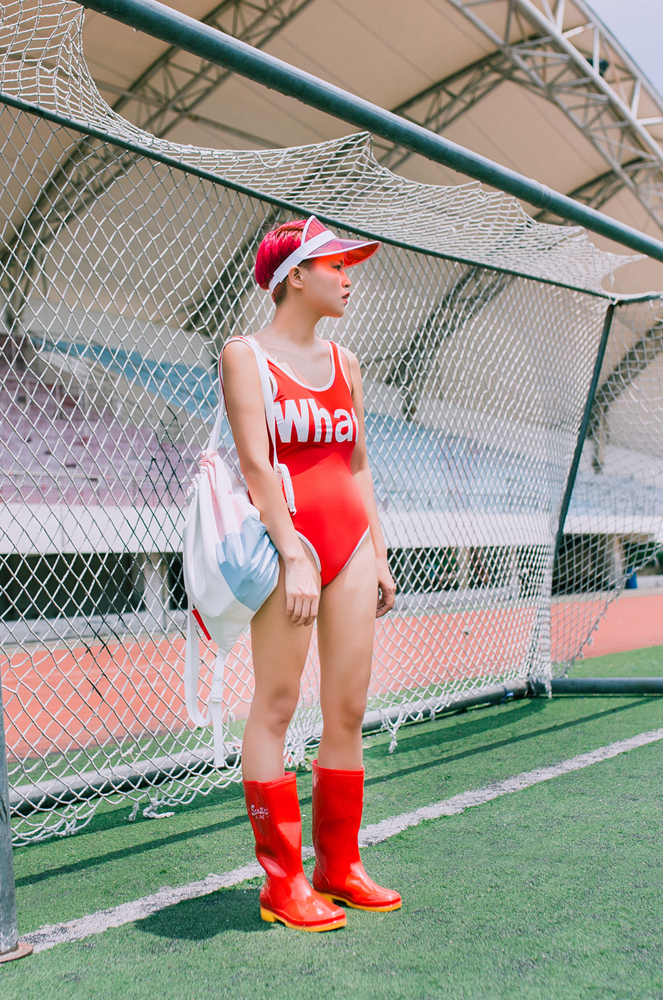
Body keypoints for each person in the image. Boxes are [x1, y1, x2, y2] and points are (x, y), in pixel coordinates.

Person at [220, 216, 400, 932]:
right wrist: (293, 553)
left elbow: (357, 464)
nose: (348, 278)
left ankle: (339, 867)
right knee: (276, 703)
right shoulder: (245, 356)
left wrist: (378, 551)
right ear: (296, 275)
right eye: (336, 266)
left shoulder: (347, 362)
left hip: (350, 543)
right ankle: (283, 882)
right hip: (286, 548)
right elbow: (256, 465)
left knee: (347, 708)